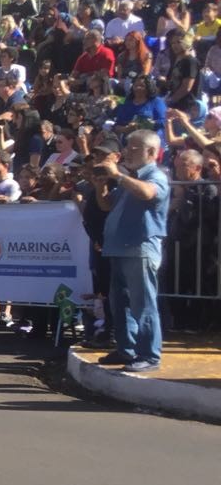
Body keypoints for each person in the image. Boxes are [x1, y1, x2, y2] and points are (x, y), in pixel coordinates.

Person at [92, 130, 169, 373]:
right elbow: (106, 204)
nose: (127, 152)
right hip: (119, 248)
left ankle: (149, 354)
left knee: (142, 303)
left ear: (152, 152)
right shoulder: (131, 178)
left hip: (140, 248)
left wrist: (118, 175)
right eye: (128, 147)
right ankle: (127, 348)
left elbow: (148, 193)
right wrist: (100, 186)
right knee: (120, 303)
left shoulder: (156, 176)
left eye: (134, 148)